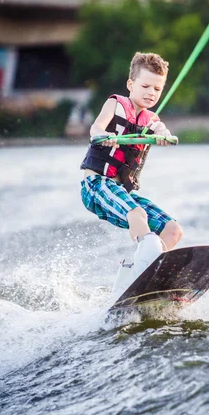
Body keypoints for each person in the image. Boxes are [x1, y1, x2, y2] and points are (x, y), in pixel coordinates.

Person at [80, 52, 183, 299]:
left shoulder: (151, 120)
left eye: (157, 88)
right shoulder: (115, 104)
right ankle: (143, 269)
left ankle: (143, 275)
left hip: (122, 191)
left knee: (173, 230)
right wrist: (100, 135)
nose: (151, 92)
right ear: (130, 84)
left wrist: (163, 135)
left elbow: (161, 129)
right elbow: (97, 126)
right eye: (145, 86)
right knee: (138, 214)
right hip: (96, 186)